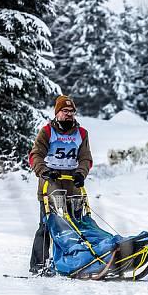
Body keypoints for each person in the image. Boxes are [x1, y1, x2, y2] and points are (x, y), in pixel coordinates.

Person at [28, 95, 93, 274]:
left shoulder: (82, 133)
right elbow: (35, 155)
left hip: (73, 182)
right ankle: (39, 265)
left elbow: (86, 158)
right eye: (65, 111)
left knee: (77, 223)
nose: (69, 115)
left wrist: (82, 173)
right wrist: (44, 170)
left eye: (71, 112)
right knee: (49, 224)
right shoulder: (47, 131)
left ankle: (77, 261)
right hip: (51, 181)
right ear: (57, 113)